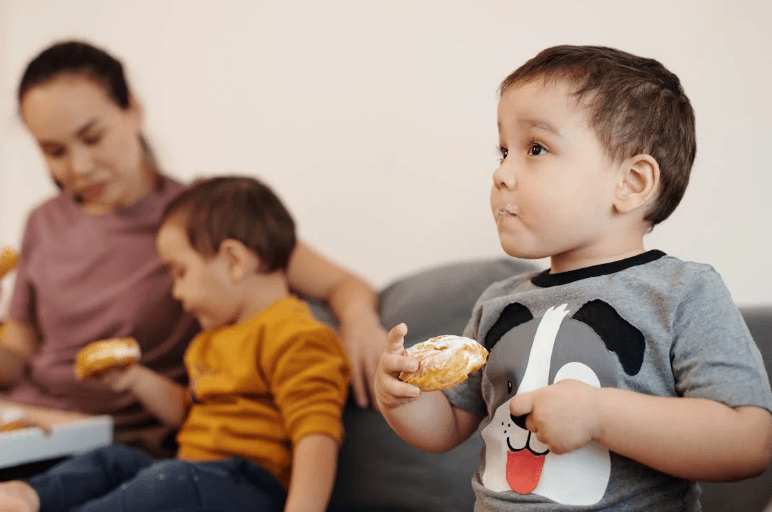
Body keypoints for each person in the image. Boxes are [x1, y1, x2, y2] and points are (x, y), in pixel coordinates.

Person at [374, 45, 772, 511]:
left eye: (535, 148)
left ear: (632, 183)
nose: (502, 173)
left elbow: (748, 442)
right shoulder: (498, 303)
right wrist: (403, 401)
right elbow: (450, 426)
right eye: (503, 151)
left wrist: (600, 415)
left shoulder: (682, 292)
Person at [0, 40, 385, 457]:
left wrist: (360, 321)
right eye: (54, 151)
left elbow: (342, 284)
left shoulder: (202, 220)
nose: (79, 167)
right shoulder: (42, 220)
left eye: (92, 137)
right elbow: (20, 348)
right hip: (27, 426)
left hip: (119, 444)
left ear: (132, 108)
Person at [0, 175, 350, 512]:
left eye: (180, 272)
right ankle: (27, 496)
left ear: (234, 261)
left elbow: (316, 436)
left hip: (251, 486)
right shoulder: (209, 341)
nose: (176, 292)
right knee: (115, 459)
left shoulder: (299, 336)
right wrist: (134, 379)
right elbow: (187, 413)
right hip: (195, 475)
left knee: (172, 480)